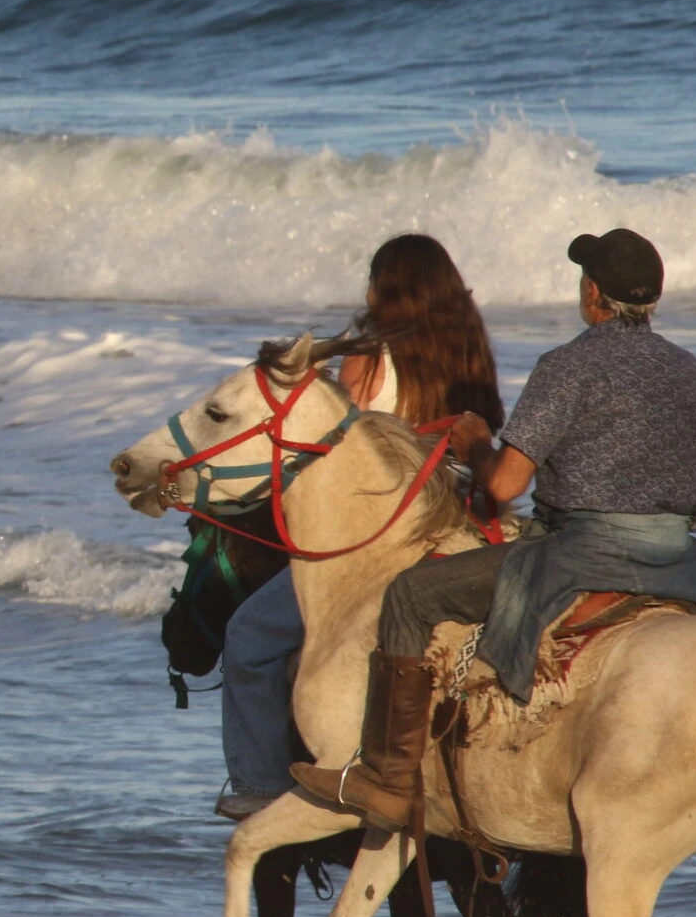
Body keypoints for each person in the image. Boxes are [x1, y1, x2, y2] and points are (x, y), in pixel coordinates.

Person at [292, 227, 696, 831]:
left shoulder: (568, 365)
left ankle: (388, 779)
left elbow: (504, 486)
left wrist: (476, 445)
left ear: (591, 294)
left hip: (581, 555)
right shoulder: (690, 371)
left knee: (410, 594)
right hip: (679, 562)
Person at [213, 234, 508, 820]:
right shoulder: (470, 350)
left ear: (385, 289)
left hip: (387, 531)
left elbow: (338, 450)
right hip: (457, 529)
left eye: (372, 281)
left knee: (248, 636)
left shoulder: (368, 357)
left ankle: (260, 787)